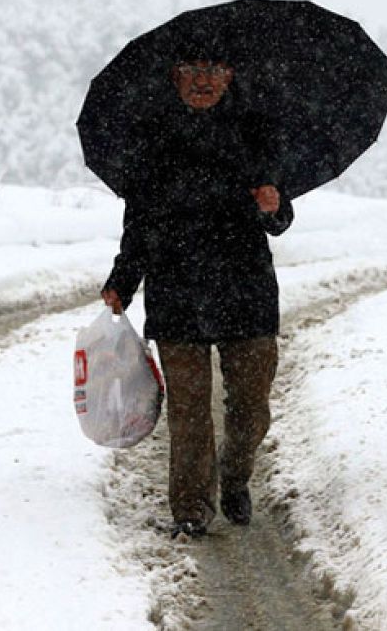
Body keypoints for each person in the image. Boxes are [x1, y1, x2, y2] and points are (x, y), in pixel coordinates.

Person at [100, 51, 293, 539]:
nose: (202, 82)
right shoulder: (153, 141)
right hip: (177, 292)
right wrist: (124, 281)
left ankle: (234, 474)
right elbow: (139, 226)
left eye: (213, 71)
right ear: (175, 76)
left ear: (230, 76)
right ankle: (191, 508)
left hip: (245, 291)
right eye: (191, 71)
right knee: (189, 413)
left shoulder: (255, 132)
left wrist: (274, 208)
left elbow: (280, 213)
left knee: (251, 406)